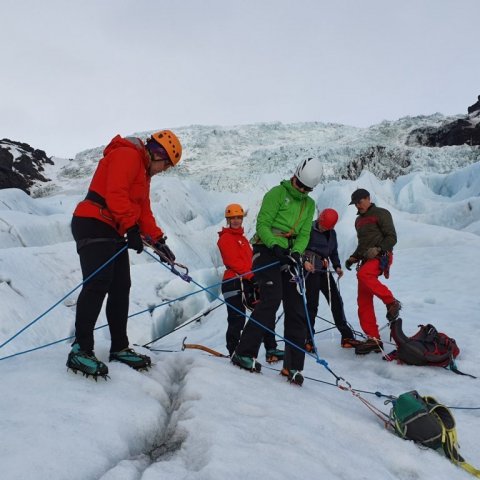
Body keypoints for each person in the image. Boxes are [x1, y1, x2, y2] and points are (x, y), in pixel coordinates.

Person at [67, 130, 182, 378]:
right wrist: (130, 228)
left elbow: (143, 210)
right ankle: (80, 348)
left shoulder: (143, 173)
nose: (163, 170)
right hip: (93, 221)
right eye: (166, 165)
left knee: (121, 286)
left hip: (112, 226)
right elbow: (115, 192)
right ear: (157, 153)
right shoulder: (127, 155)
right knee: (98, 283)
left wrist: (158, 241)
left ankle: (119, 347)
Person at [231, 157, 322, 386]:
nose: (301, 190)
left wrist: (298, 253)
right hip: (266, 250)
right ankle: (244, 352)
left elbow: (303, 235)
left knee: (296, 308)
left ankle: (293, 366)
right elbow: (262, 223)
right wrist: (274, 245)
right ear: (295, 176)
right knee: (271, 298)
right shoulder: (277, 193)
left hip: (289, 255)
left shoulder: (309, 205)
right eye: (299, 185)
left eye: (306, 188)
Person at [217, 203, 283, 361]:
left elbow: (251, 261)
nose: (235, 221)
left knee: (264, 313)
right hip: (233, 282)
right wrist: (252, 277)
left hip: (248, 281)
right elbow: (233, 262)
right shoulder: (225, 238)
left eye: (238, 217)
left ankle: (271, 348)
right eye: (232, 218)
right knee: (237, 318)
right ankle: (234, 351)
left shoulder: (243, 239)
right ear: (227, 219)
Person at [344, 188, 401, 355]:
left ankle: (391, 302)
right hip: (366, 260)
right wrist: (354, 257)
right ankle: (373, 339)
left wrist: (378, 250)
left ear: (368, 198)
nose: (357, 206)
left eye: (359, 202)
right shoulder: (358, 221)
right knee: (363, 300)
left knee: (364, 275)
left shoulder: (382, 213)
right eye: (355, 203)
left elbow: (392, 237)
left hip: (381, 256)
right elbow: (362, 245)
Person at [303, 208, 361, 350]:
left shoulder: (332, 233)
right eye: (323, 226)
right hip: (311, 271)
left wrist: (337, 266)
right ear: (319, 219)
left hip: (323, 270)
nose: (324, 229)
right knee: (312, 305)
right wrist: (304, 261)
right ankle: (307, 339)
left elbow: (333, 251)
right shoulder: (307, 229)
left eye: (327, 227)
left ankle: (346, 336)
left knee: (336, 301)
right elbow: (299, 247)